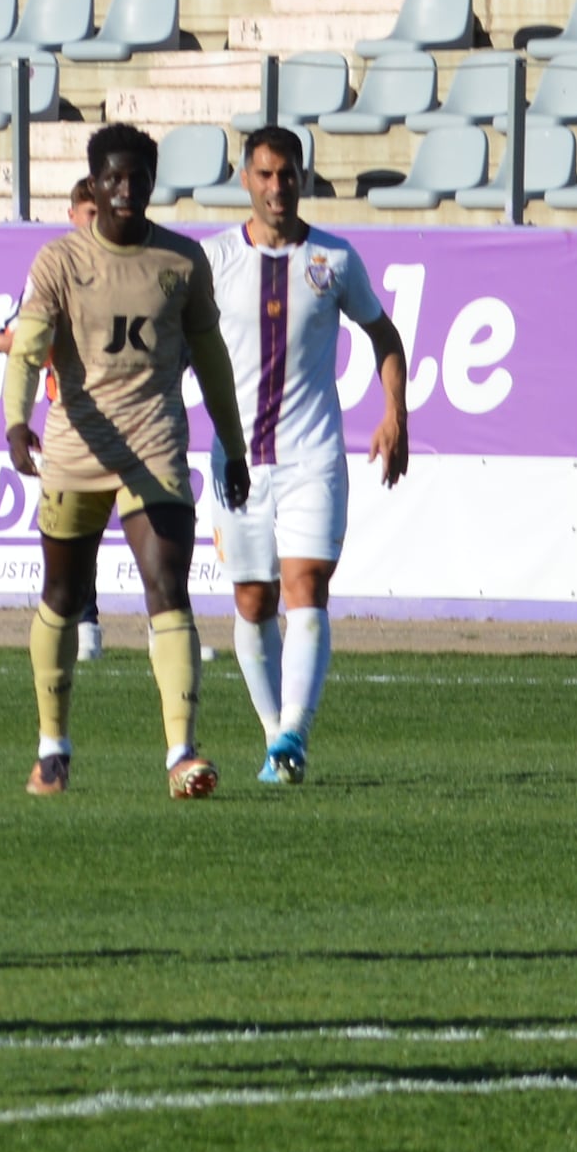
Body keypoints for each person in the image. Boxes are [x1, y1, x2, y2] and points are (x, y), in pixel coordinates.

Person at [3, 126, 250, 802]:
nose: (126, 188)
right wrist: (15, 421)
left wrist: (231, 441)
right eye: (113, 177)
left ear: (151, 179)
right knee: (63, 593)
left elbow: (212, 359)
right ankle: (52, 747)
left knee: (167, 580)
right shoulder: (58, 261)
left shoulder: (181, 259)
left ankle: (182, 752)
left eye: (138, 176)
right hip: (77, 449)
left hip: (155, 445)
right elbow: (27, 348)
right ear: (94, 181)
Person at [206, 127, 411, 789]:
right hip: (237, 460)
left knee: (306, 585)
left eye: (287, 174)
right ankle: (274, 734)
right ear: (246, 180)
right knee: (252, 597)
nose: (276, 187)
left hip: (312, 454)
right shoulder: (212, 262)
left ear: (302, 177)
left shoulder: (333, 259)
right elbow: (177, 346)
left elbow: (383, 333)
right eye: (264, 174)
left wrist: (394, 414)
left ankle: (295, 730)